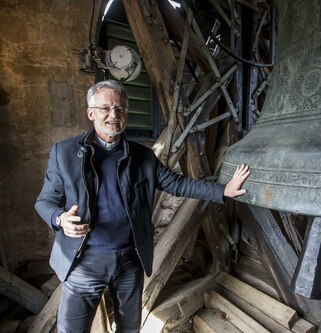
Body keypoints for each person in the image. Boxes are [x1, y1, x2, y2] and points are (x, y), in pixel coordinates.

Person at [35, 79, 250, 333]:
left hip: (129, 260)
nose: (113, 115)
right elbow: (45, 201)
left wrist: (222, 191)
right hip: (84, 261)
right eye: (105, 108)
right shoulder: (65, 153)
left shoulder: (143, 157)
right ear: (91, 113)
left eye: (121, 109)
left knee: (130, 329)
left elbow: (177, 184)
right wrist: (60, 219)